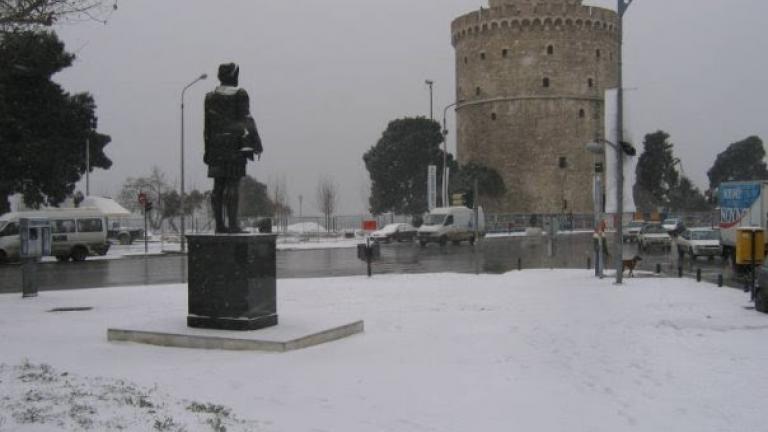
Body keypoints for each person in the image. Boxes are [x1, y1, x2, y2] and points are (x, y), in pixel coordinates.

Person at [204, 63, 263, 233]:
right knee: (232, 185)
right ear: (232, 75)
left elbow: (207, 127)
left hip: (215, 147)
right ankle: (233, 225)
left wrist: (207, 149)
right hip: (235, 146)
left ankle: (219, 226)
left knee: (218, 187)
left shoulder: (210, 97)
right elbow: (246, 119)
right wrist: (256, 143)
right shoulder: (240, 94)